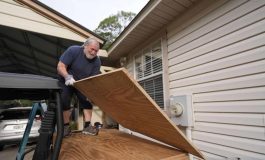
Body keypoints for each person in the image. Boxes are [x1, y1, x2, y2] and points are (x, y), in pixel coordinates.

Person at [57, 38, 101, 137]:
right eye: (92, 49)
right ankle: (66, 126)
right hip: (66, 80)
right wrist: (67, 76)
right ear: (85, 46)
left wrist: (91, 93)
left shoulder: (97, 61)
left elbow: (92, 79)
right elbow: (60, 66)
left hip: (82, 82)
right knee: (64, 100)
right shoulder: (73, 50)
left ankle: (87, 126)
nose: (93, 52)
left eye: (96, 51)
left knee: (87, 101)